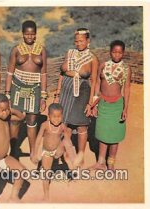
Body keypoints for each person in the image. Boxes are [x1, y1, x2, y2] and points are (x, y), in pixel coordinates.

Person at [54, 28, 99, 167]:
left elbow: (94, 81)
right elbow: (62, 74)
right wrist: (57, 93)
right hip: (66, 91)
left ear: (88, 41)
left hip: (83, 92)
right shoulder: (70, 53)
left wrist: (91, 103)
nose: (78, 43)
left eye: (81, 40)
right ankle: (67, 154)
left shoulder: (92, 59)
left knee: (81, 125)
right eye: (76, 41)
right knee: (65, 123)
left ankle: (81, 155)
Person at [5, 20, 47, 160]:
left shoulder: (41, 50)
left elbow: (44, 73)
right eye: (27, 34)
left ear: (35, 35)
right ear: (22, 34)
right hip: (17, 87)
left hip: (34, 89)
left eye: (32, 34)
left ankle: (33, 152)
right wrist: (7, 93)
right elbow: (10, 72)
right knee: (15, 120)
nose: (30, 36)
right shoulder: (16, 50)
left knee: (32, 120)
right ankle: (13, 151)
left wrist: (43, 96)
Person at [90, 40, 131, 171]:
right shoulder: (103, 65)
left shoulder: (126, 68)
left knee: (114, 135)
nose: (117, 55)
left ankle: (111, 163)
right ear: (110, 52)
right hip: (103, 103)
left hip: (117, 106)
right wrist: (95, 103)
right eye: (114, 52)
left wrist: (125, 108)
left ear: (123, 53)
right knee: (103, 133)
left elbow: (127, 89)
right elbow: (97, 84)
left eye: (120, 52)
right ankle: (100, 162)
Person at [32, 103, 76, 200]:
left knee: (66, 140)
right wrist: (34, 153)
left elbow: (67, 138)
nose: (57, 119)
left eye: (59, 117)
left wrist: (67, 148)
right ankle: (46, 194)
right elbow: (39, 138)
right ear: (49, 116)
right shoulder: (44, 125)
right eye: (54, 117)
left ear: (62, 116)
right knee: (46, 173)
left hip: (57, 151)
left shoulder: (62, 126)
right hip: (47, 152)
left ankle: (73, 161)